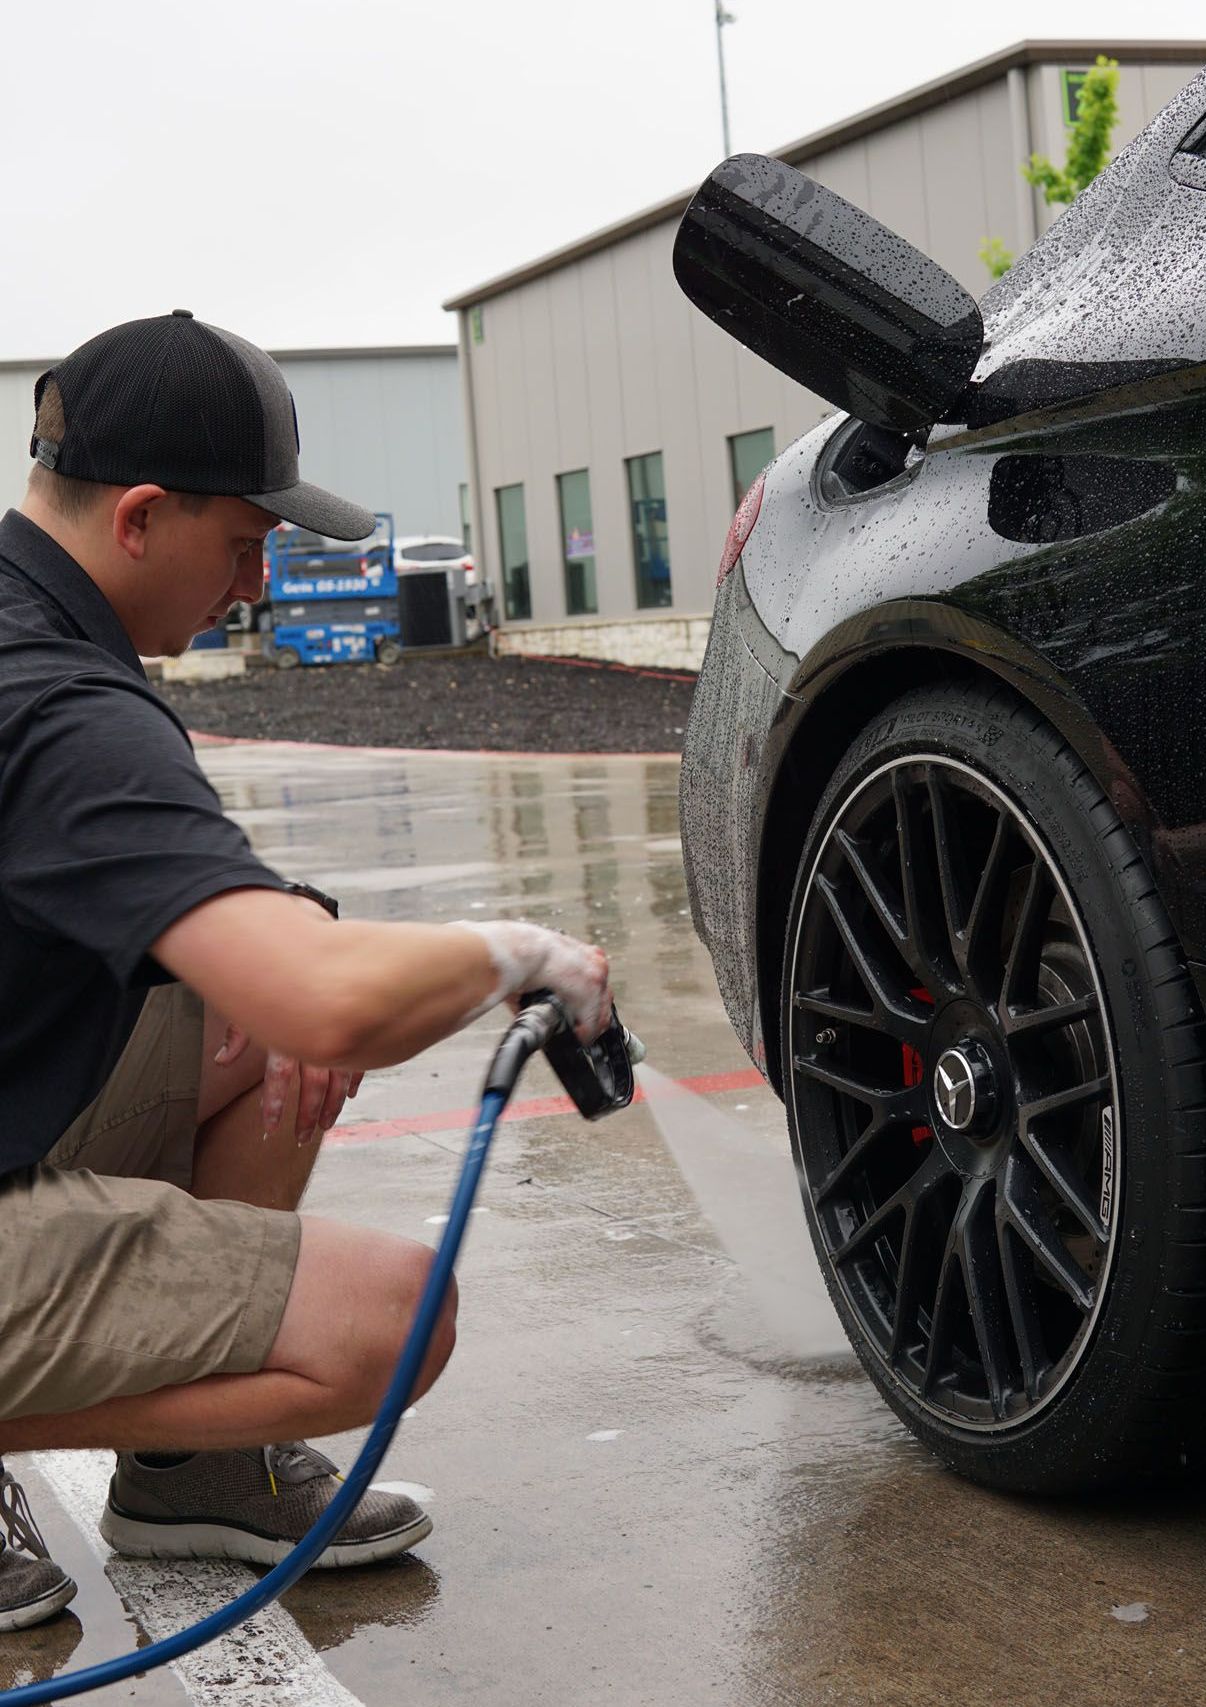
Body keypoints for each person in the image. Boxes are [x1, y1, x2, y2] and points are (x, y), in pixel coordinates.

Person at [0, 311, 613, 1629]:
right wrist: (520, 953)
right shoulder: (64, 710)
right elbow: (324, 995)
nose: (259, 586)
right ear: (142, 517)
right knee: (394, 1322)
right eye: (244, 542)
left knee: (262, 1023)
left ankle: (189, 1475)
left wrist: (301, 948)